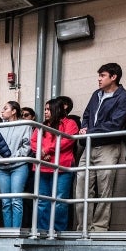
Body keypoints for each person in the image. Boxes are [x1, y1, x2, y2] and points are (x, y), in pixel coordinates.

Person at [77, 63, 126, 232]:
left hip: (108, 147)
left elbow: (115, 124)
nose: (99, 79)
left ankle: (99, 227)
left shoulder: (123, 97)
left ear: (113, 77)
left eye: (103, 75)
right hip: (90, 145)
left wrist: (90, 131)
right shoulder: (96, 94)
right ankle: (83, 226)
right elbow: (86, 115)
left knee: (104, 189)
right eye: (99, 75)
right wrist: (84, 127)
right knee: (82, 185)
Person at [32, 98, 79, 235]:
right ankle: (43, 231)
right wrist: (41, 152)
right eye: (45, 109)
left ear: (56, 109)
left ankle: (58, 232)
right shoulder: (41, 126)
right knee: (42, 201)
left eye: (48, 109)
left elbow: (67, 141)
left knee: (59, 201)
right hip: (43, 166)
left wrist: (47, 150)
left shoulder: (70, 124)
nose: (45, 112)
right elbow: (34, 141)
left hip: (61, 167)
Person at [0, 101, 32, 229]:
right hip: (2, 168)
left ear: (14, 111)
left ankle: (15, 231)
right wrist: (0, 158)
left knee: (16, 201)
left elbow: (27, 146)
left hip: (19, 167)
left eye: (5, 108)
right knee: (5, 202)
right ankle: (7, 232)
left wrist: (12, 158)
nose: (2, 111)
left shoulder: (25, 126)